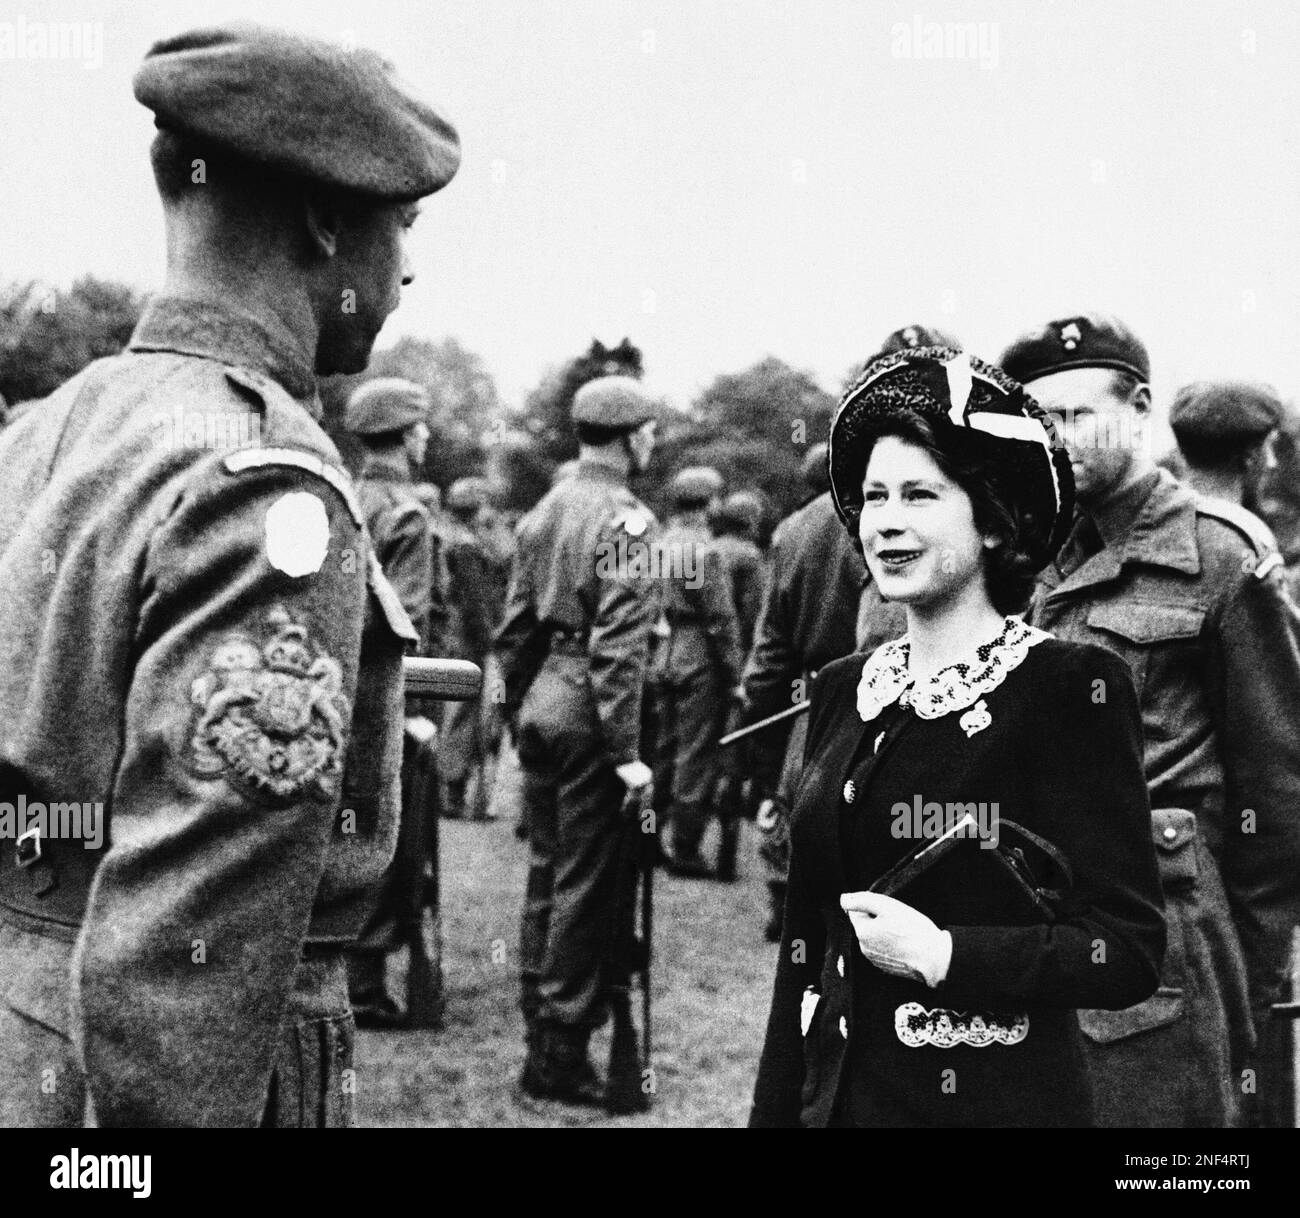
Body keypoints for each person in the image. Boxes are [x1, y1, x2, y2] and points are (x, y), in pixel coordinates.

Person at [0, 22, 459, 1126]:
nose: (405, 264)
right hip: (145, 1078)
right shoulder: (264, 484)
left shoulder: (51, 431)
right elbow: (189, 947)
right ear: (323, 219)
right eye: (399, 223)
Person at [749, 346, 1165, 1128]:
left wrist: (946, 953)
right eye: (874, 497)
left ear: (993, 518)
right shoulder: (845, 688)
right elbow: (802, 952)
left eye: (920, 495)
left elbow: (1127, 949)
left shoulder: (1068, 688)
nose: (887, 522)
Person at [1002, 313, 1300, 1126]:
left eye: (1075, 415)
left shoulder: (1219, 556)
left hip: (1171, 936)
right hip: (1045, 922)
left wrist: (1252, 969)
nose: (1056, 439)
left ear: (1138, 407)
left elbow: (1277, 791)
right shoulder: (1037, 554)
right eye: (1038, 422)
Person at [494, 375, 661, 1106]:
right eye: (649, 430)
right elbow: (619, 653)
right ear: (630, 437)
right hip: (592, 708)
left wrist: (522, 710)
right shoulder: (628, 522)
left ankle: (543, 1032)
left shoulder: (545, 510)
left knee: (546, 875)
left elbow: (514, 630)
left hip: (543, 698)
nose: (652, 442)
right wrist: (625, 755)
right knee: (584, 890)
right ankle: (560, 1052)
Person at [342, 378, 442, 1028]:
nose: (426, 438)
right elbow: (402, 622)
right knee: (390, 841)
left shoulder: (343, 494)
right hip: (385, 701)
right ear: (407, 435)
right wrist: (415, 711)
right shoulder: (407, 513)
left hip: (337, 695)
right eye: (422, 428)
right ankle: (366, 987)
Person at [652, 466, 744, 877]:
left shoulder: (658, 544)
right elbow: (721, 620)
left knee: (662, 752)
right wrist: (736, 675)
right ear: (709, 503)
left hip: (662, 652)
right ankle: (685, 848)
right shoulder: (706, 552)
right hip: (698, 654)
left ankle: (647, 837)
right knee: (695, 756)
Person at [707, 490, 767, 881]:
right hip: (737, 660)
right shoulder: (748, 557)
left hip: (697, 659)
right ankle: (726, 853)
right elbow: (755, 614)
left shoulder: (709, 549)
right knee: (734, 757)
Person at [440, 476, 501, 821]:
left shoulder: (451, 536)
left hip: (453, 633)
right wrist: (489, 644)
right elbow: (476, 601)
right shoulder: (466, 545)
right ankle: (452, 790)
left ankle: (450, 788)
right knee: (464, 714)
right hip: (466, 638)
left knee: (455, 711)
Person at [1169, 380, 1283, 529]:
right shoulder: (1250, 536)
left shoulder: (1152, 521)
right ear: (1250, 455)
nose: (1272, 462)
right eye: (1268, 445)